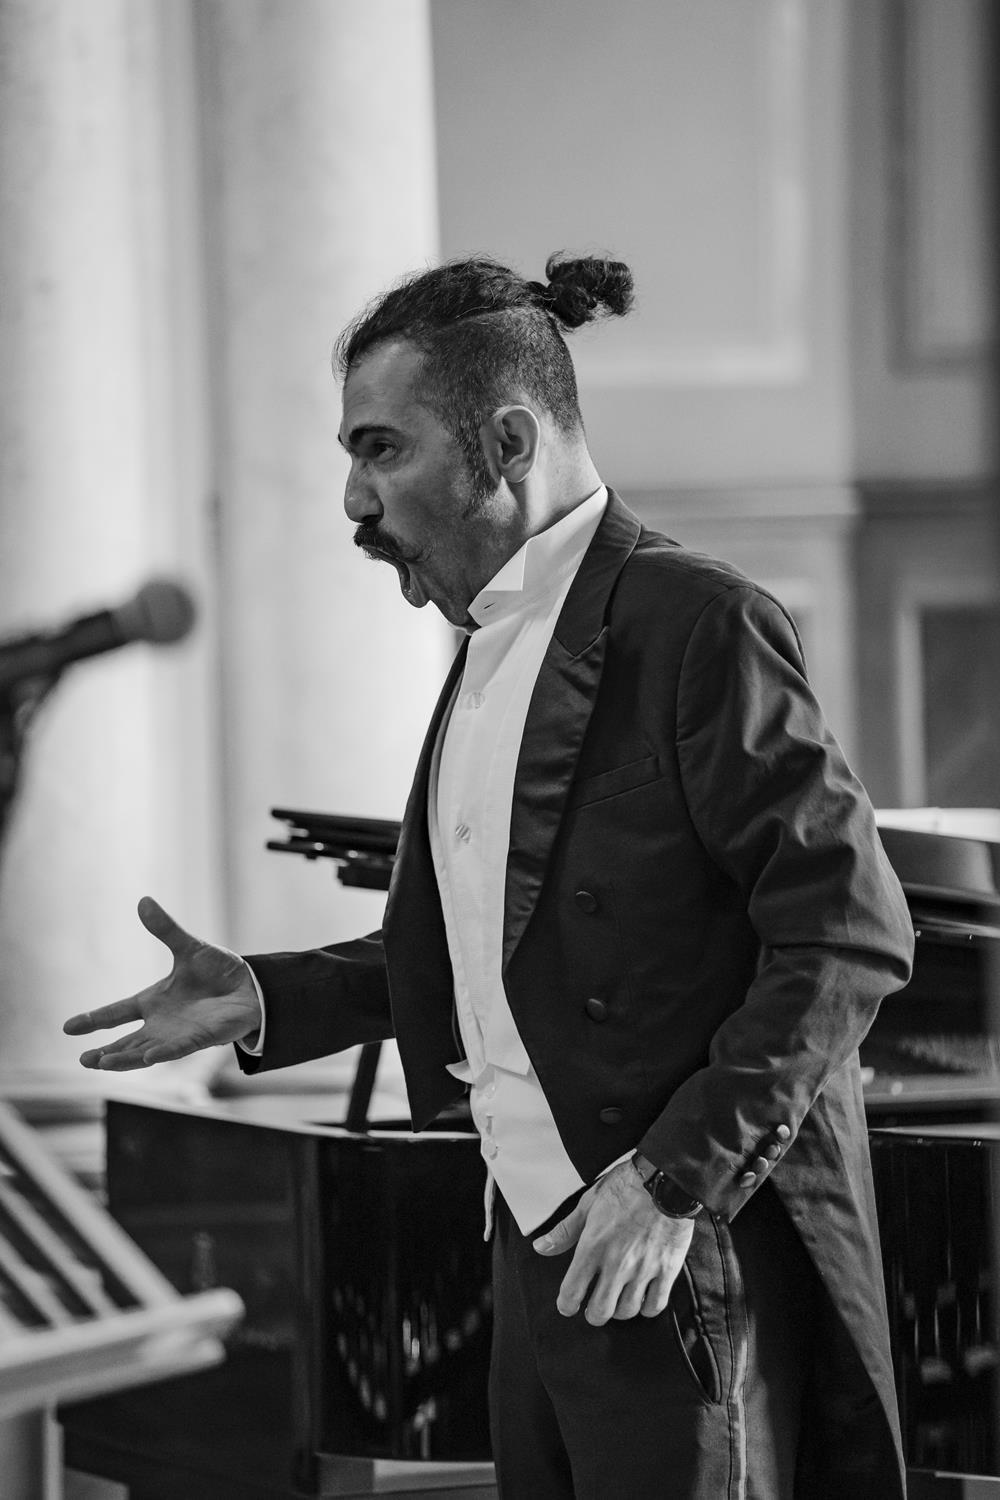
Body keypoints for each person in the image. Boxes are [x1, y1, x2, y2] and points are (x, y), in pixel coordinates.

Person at [64, 253, 914, 1499]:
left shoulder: (697, 622)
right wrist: (267, 995)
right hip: (531, 1254)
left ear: (508, 443)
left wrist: (671, 1185)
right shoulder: (486, 644)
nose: (354, 500)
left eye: (382, 449)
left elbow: (846, 932)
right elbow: (504, 947)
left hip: (673, 1251)